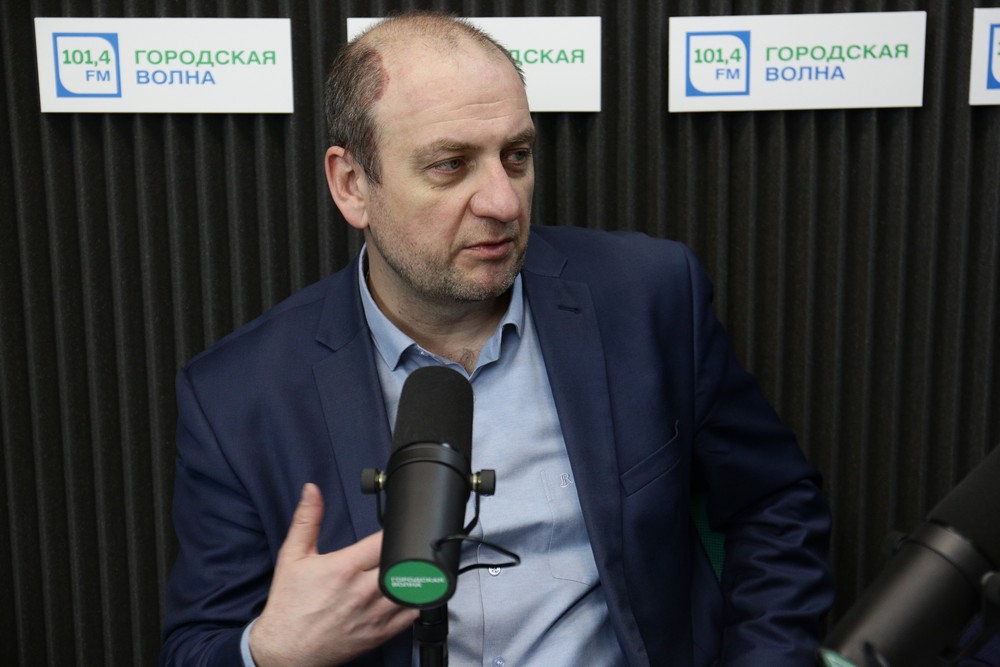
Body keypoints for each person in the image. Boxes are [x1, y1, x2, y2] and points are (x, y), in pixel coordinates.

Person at [161, 10, 834, 666]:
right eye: (451, 165)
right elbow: (195, 646)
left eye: (516, 156)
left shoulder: (649, 298)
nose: (505, 202)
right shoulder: (237, 399)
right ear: (352, 184)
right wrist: (270, 652)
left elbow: (775, 506)